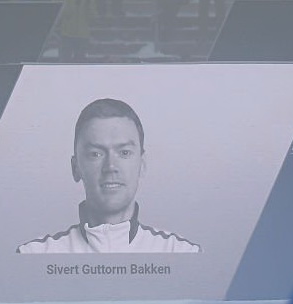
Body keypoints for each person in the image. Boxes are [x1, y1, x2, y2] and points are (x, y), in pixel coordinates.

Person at [17, 98, 200, 253]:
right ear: (76, 167)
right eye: (96, 154)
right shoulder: (33, 255)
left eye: (124, 153)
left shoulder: (181, 253)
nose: (111, 167)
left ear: (142, 164)